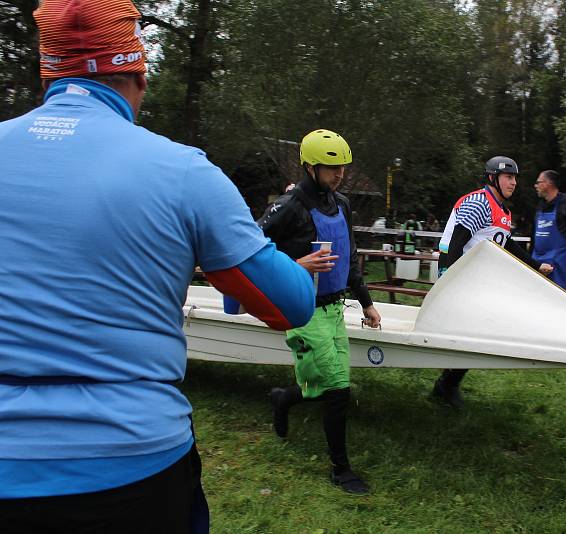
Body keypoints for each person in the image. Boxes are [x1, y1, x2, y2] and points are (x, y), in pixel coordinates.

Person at [0, 2, 315, 532]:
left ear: (47, 71)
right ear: (139, 75)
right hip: (128, 465)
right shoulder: (182, 171)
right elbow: (291, 306)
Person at [257, 129, 381, 495]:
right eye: (331, 167)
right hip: (302, 311)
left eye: (342, 166)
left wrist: (367, 301)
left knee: (319, 386)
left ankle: (283, 399)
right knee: (338, 389)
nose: (339, 173)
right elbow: (249, 251)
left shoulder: (341, 204)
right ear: (310, 167)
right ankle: (340, 469)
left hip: (335, 309)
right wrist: (297, 262)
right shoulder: (287, 206)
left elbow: (349, 257)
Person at [434, 156, 553, 409]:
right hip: (459, 273)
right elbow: (454, 245)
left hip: (478, 278)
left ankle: (447, 383)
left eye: (515, 178)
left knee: (480, 331)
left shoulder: (502, 210)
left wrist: (535, 265)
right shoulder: (480, 203)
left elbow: (506, 243)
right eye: (508, 177)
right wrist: (449, 279)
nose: (513, 182)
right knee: (473, 332)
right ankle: (447, 385)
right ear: (492, 178)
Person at [531, 170, 566, 294]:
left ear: (548, 184)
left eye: (538, 182)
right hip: (538, 265)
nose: (535, 186)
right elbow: (534, 237)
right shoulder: (540, 206)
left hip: (560, 267)